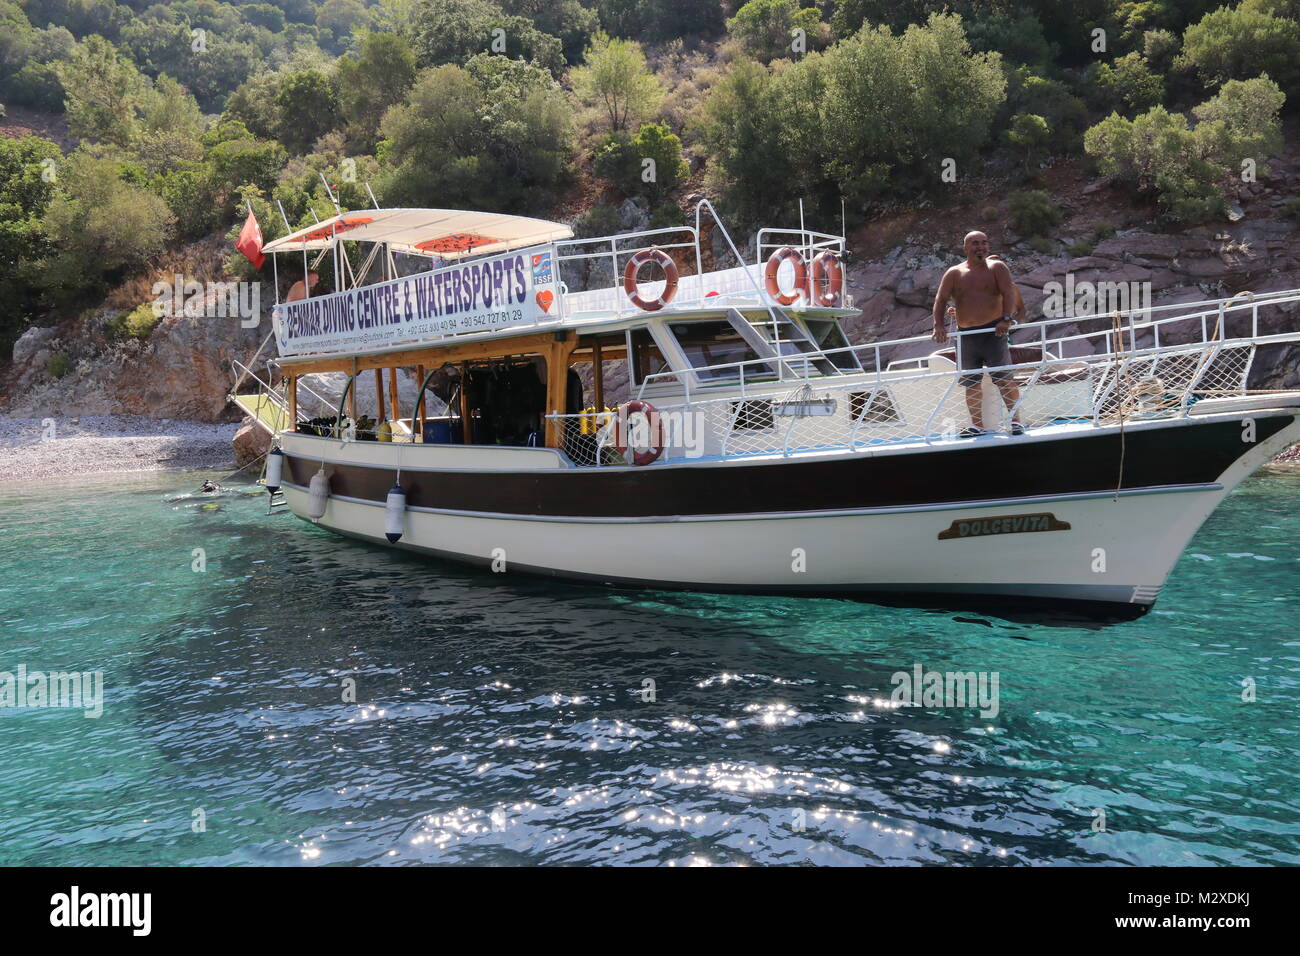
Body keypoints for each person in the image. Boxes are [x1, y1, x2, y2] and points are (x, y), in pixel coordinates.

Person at [932, 232, 1027, 437]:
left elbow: (1009, 293)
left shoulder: (997, 268)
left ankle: (1016, 422)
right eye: (975, 243)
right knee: (971, 382)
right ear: (965, 248)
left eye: (984, 243)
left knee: (1004, 379)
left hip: (993, 332)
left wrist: (1006, 319)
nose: (981, 247)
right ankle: (977, 426)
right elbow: (940, 300)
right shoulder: (954, 273)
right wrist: (938, 325)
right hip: (966, 335)